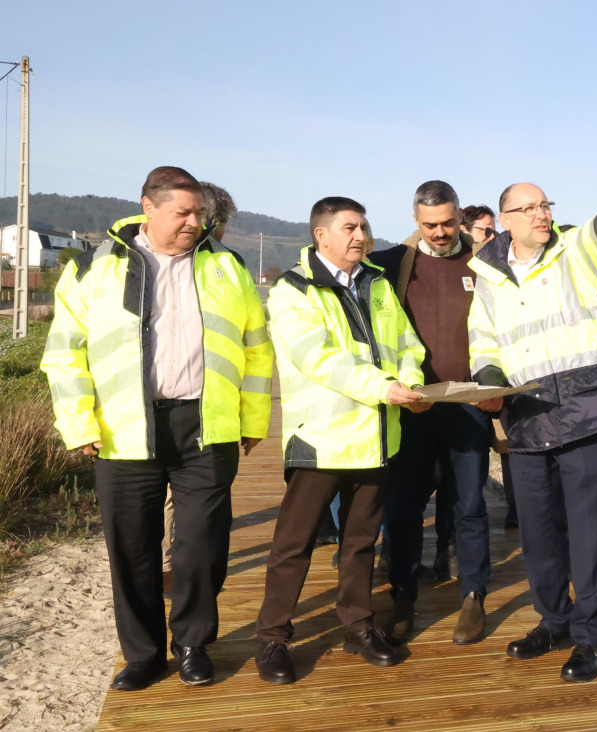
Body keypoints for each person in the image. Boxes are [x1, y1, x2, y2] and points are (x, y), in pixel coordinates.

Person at [40, 166, 273, 691]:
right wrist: (76, 421)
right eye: (182, 213)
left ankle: (193, 643)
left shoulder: (228, 267)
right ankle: (143, 654)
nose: (195, 222)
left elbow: (257, 348)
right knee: (133, 547)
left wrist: (254, 418)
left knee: (202, 546)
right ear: (147, 207)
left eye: (199, 213)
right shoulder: (92, 266)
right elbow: (64, 352)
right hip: (124, 429)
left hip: (205, 426)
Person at [468, 183, 597, 683]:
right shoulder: (487, 274)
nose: (541, 215)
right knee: (539, 532)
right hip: (524, 416)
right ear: (506, 220)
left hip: (585, 411)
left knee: (590, 533)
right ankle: (553, 621)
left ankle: (589, 638)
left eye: (545, 205)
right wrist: (488, 382)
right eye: (529, 209)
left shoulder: (572, 251)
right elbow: (482, 338)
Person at [253, 197, 428, 684]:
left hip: (376, 438)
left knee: (360, 543)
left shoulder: (376, 283)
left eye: (364, 227)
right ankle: (271, 638)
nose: (360, 236)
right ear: (321, 235)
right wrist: (383, 388)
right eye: (349, 227)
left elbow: (408, 343)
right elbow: (319, 358)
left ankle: (358, 626)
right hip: (321, 440)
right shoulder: (293, 291)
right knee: (294, 544)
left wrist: (411, 382)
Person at [370, 181, 494, 646]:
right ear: (415, 221)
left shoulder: (484, 263)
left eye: (446, 223)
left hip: (467, 405)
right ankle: (402, 594)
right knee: (404, 507)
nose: (439, 233)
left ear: (459, 216)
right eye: (429, 225)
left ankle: (474, 596)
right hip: (415, 407)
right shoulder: (393, 263)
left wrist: (496, 385)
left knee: (470, 505)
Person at [159, 181, 239, 593]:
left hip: (208, 412)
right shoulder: (222, 263)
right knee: (183, 505)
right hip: (195, 414)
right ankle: (174, 567)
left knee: (179, 503)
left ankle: (172, 567)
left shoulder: (227, 265)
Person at [461, 204, 518, 529]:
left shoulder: (495, 266)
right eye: (486, 230)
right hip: (465, 376)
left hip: (497, 370)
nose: (493, 236)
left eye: (495, 230)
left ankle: (516, 509)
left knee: (509, 443)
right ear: (466, 229)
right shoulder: (462, 266)